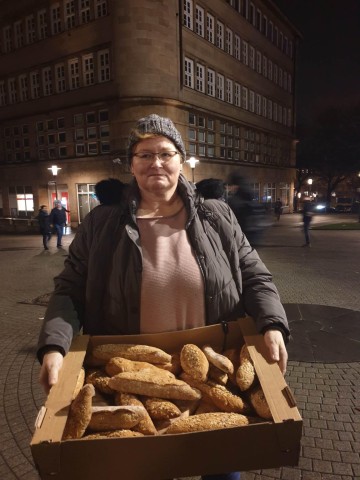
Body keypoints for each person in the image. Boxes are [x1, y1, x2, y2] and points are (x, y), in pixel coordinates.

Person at [37, 114, 290, 480]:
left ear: (181, 160)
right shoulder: (103, 222)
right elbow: (69, 288)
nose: (156, 162)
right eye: (144, 154)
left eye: (166, 153)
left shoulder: (216, 215)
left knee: (222, 468)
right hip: (136, 379)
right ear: (131, 164)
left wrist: (272, 324)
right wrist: (54, 347)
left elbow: (254, 275)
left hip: (215, 374)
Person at [227, 172, 271, 246]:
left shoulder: (235, 201)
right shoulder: (251, 198)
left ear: (235, 186)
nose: (229, 188)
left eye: (230, 185)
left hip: (240, 239)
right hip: (254, 238)